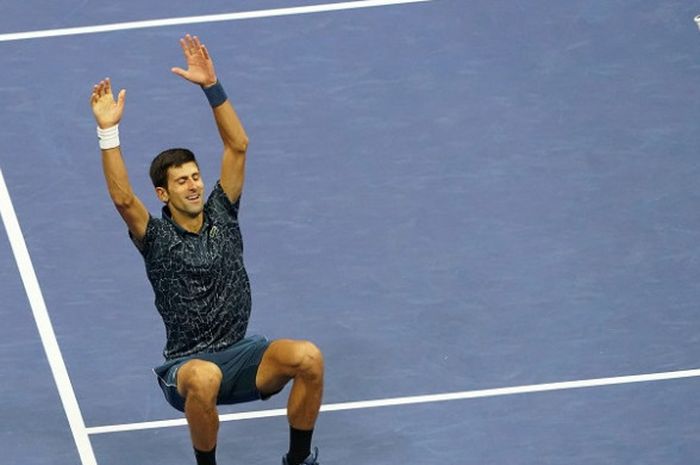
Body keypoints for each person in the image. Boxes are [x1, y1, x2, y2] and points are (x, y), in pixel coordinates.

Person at [89, 34, 323, 465]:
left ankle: (299, 460)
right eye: (182, 180)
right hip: (189, 366)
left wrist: (212, 87)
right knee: (205, 376)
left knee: (308, 357)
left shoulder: (223, 211)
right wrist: (109, 131)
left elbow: (238, 146)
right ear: (163, 193)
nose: (194, 185)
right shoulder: (156, 239)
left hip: (244, 353)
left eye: (195, 176)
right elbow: (123, 200)